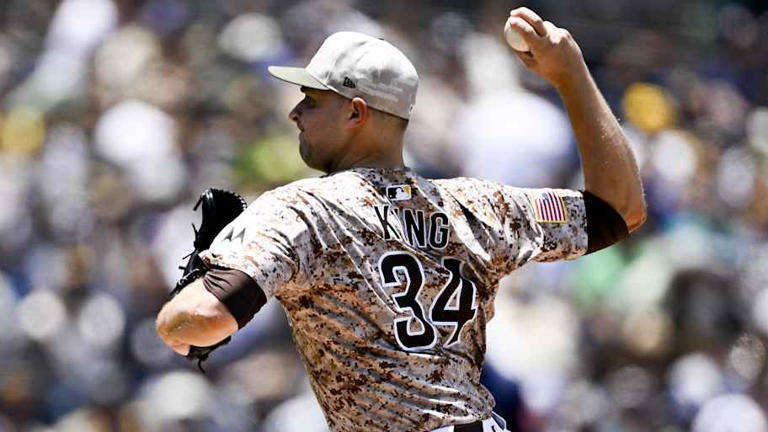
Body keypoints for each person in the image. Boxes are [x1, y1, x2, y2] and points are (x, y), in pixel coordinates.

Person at [156, 7, 646, 432]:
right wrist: (572, 74)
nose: (296, 112)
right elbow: (620, 209)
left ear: (356, 113)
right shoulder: (476, 206)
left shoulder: (303, 209)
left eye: (312, 99)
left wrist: (180, 309)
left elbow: (203, 318)